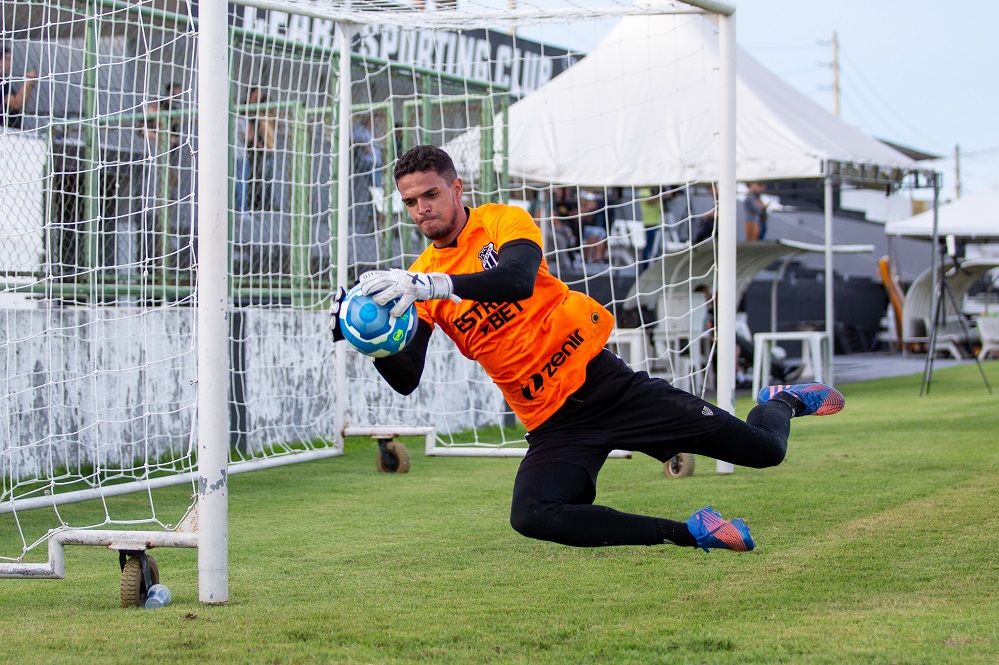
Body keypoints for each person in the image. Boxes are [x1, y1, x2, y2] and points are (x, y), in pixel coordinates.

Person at [329, 145, 845, 552]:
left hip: (607, 386)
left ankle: (780, 400)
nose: (422, 209)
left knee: (766, 452)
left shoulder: (501, 222)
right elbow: (407, 376)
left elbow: (516, 281)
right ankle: (692, 532)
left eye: (431, 195)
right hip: (554, 424)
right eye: (411, 202)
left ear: (456, 188)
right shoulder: (416, 284)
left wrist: (439, 285)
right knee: (533, 515)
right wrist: (366, 339)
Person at [1, 47, 38, 130]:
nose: (10, 64)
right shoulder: (2, 84)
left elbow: (22, 104)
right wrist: (27, 82)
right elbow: (16, 104)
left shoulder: (5, 82)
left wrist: (29, 85)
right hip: (6, 130)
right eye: (7, 59)